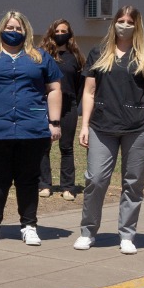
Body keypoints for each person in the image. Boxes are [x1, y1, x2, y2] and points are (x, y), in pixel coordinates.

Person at [0, 11, 62, 247]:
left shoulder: (40, 57)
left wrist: (54, 122)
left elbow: (54, 89)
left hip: (32, 128)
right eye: (10, 27)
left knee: (28, 180)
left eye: (18, 28)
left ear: (26, 31)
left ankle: (29, 226)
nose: (14, 31)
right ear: (0, 29)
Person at [76, 6, 144, 254]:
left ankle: (127, 234)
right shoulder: (99, 52)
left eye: (129, 21)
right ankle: (87, 231)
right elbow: (89, 91)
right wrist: (84, 125)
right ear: (113, 22)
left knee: (133, 183)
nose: (124, 24)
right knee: (95, 179)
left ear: (137, 25)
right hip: (102, 126)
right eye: (120, 20)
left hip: (137, 127)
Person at [39, 19, 84, 201]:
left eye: (63, 31)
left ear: (69, 33)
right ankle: (44, 184)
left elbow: (80, 86)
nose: (60, 34)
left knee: (66, 147)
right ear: (51, 33)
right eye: (56, 31)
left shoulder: (76, 58)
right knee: (44, 146)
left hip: (68, 107)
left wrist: (74, 103)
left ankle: (67, 187)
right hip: (45, 106)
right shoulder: (43, 56)